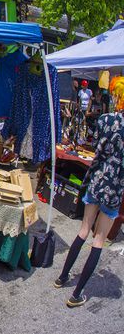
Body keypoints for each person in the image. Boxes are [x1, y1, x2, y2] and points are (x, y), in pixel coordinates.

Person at [54, 76, 124, 308]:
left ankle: (62, 277)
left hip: (96, 179)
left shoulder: (105, 119)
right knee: (99, 239)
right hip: (114, 186)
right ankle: (77, 294)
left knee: (84, 230)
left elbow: (97, 149)